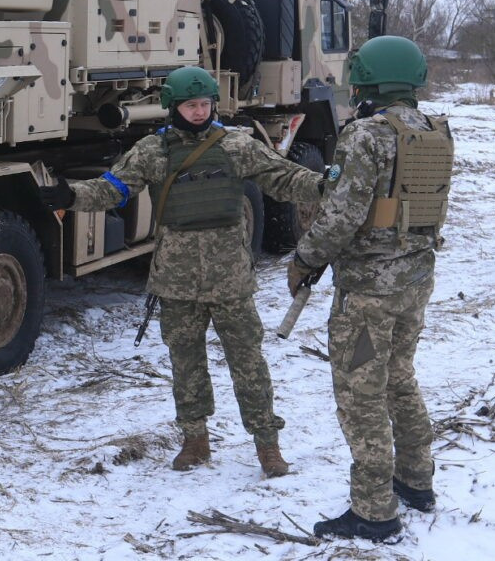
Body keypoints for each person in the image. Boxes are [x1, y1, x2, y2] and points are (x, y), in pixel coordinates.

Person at [41, 66, 323, 477]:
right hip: (176, 279)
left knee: (248, 362)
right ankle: (195, 441)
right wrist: (71, 195)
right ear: (173, 106)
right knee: (186, 363)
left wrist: (324, 183)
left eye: (205, 104)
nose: (199, 111)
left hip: (230, 278)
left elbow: (284, 178)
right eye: (191, 105)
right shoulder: (152, 152)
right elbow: (113, 189)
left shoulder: (237, 146)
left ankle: (267, 445)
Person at [289, 36, 453, 541]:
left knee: (361, 395)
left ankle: (374, 511)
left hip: (368, 291)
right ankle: (416, 481)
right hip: (415, 280)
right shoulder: (434, 131)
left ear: (366, 82)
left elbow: (341, 216)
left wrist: (305, 258)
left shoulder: (365, 134)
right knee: (400, 378)